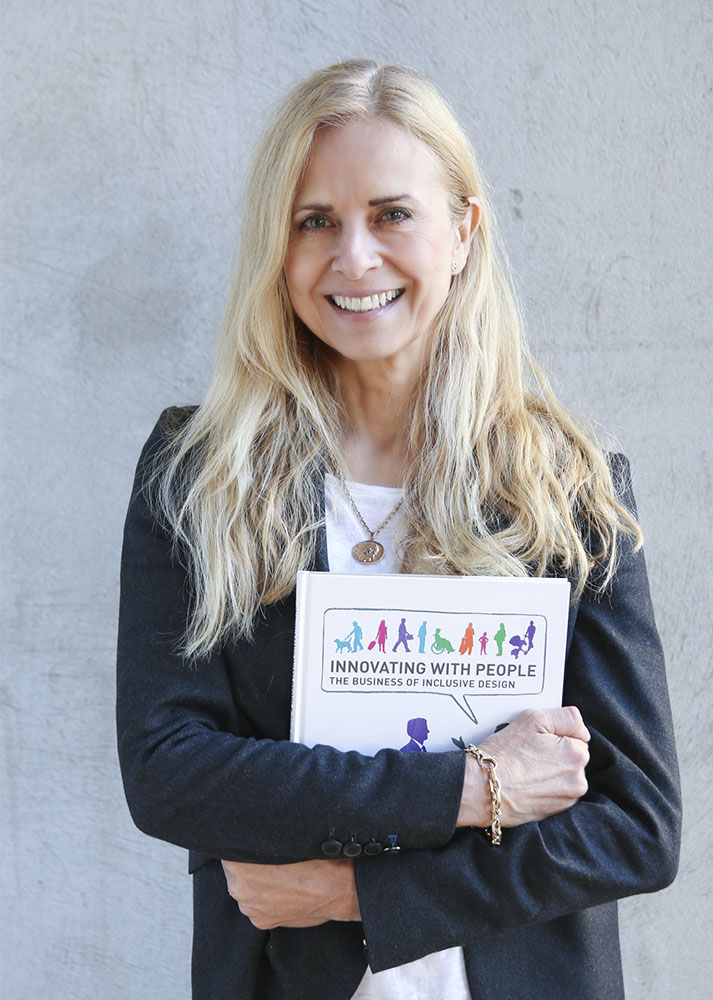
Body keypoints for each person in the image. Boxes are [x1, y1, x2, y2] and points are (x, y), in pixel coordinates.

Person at [117, 60, 680, 1000]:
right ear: (276, 247)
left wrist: (362, 894)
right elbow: (168, 771)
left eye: (391, 215)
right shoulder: (198, 473)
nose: (353, 258)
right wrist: (471, 787)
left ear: (462, 232)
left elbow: (637, 827)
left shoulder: (564, 484)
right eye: (313, 221)